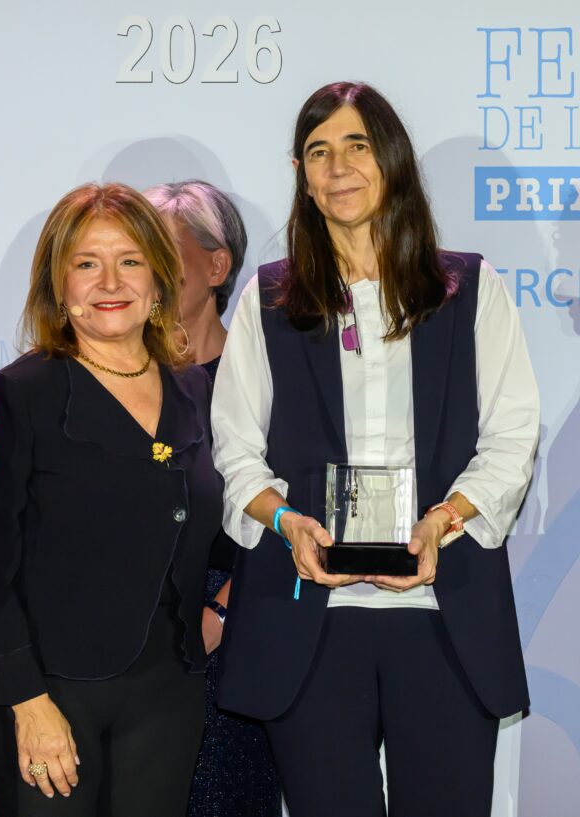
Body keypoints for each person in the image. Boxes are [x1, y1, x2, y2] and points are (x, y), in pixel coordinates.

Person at [211, 82, 540, 817]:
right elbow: (234, 451)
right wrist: (285, 520)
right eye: (318, 152)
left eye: (357, 145)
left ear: (389, 158)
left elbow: (512, 436)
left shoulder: (469, 289)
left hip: (443, 614)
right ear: (299, 172)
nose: (338, 167)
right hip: (313, 622)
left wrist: (445, 520)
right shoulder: (269, 301)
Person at [0, 183, 223, 817]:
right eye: (87, 263)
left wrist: (225, 610)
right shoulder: (19, 395)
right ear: (58, 287)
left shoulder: (197, 390)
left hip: (169, 695)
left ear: (159, 280)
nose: (110, 280)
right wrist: (27, 702)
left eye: (130, 260)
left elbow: (238, 525)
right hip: (53, 701)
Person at [144, 180, 281, 817]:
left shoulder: (266, 381)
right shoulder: (117, 382)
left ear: (218, 265)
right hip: (133, 639)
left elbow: (294, 510)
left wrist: (221, 615)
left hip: (237, 634)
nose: (145, 274)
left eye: (162, 254)